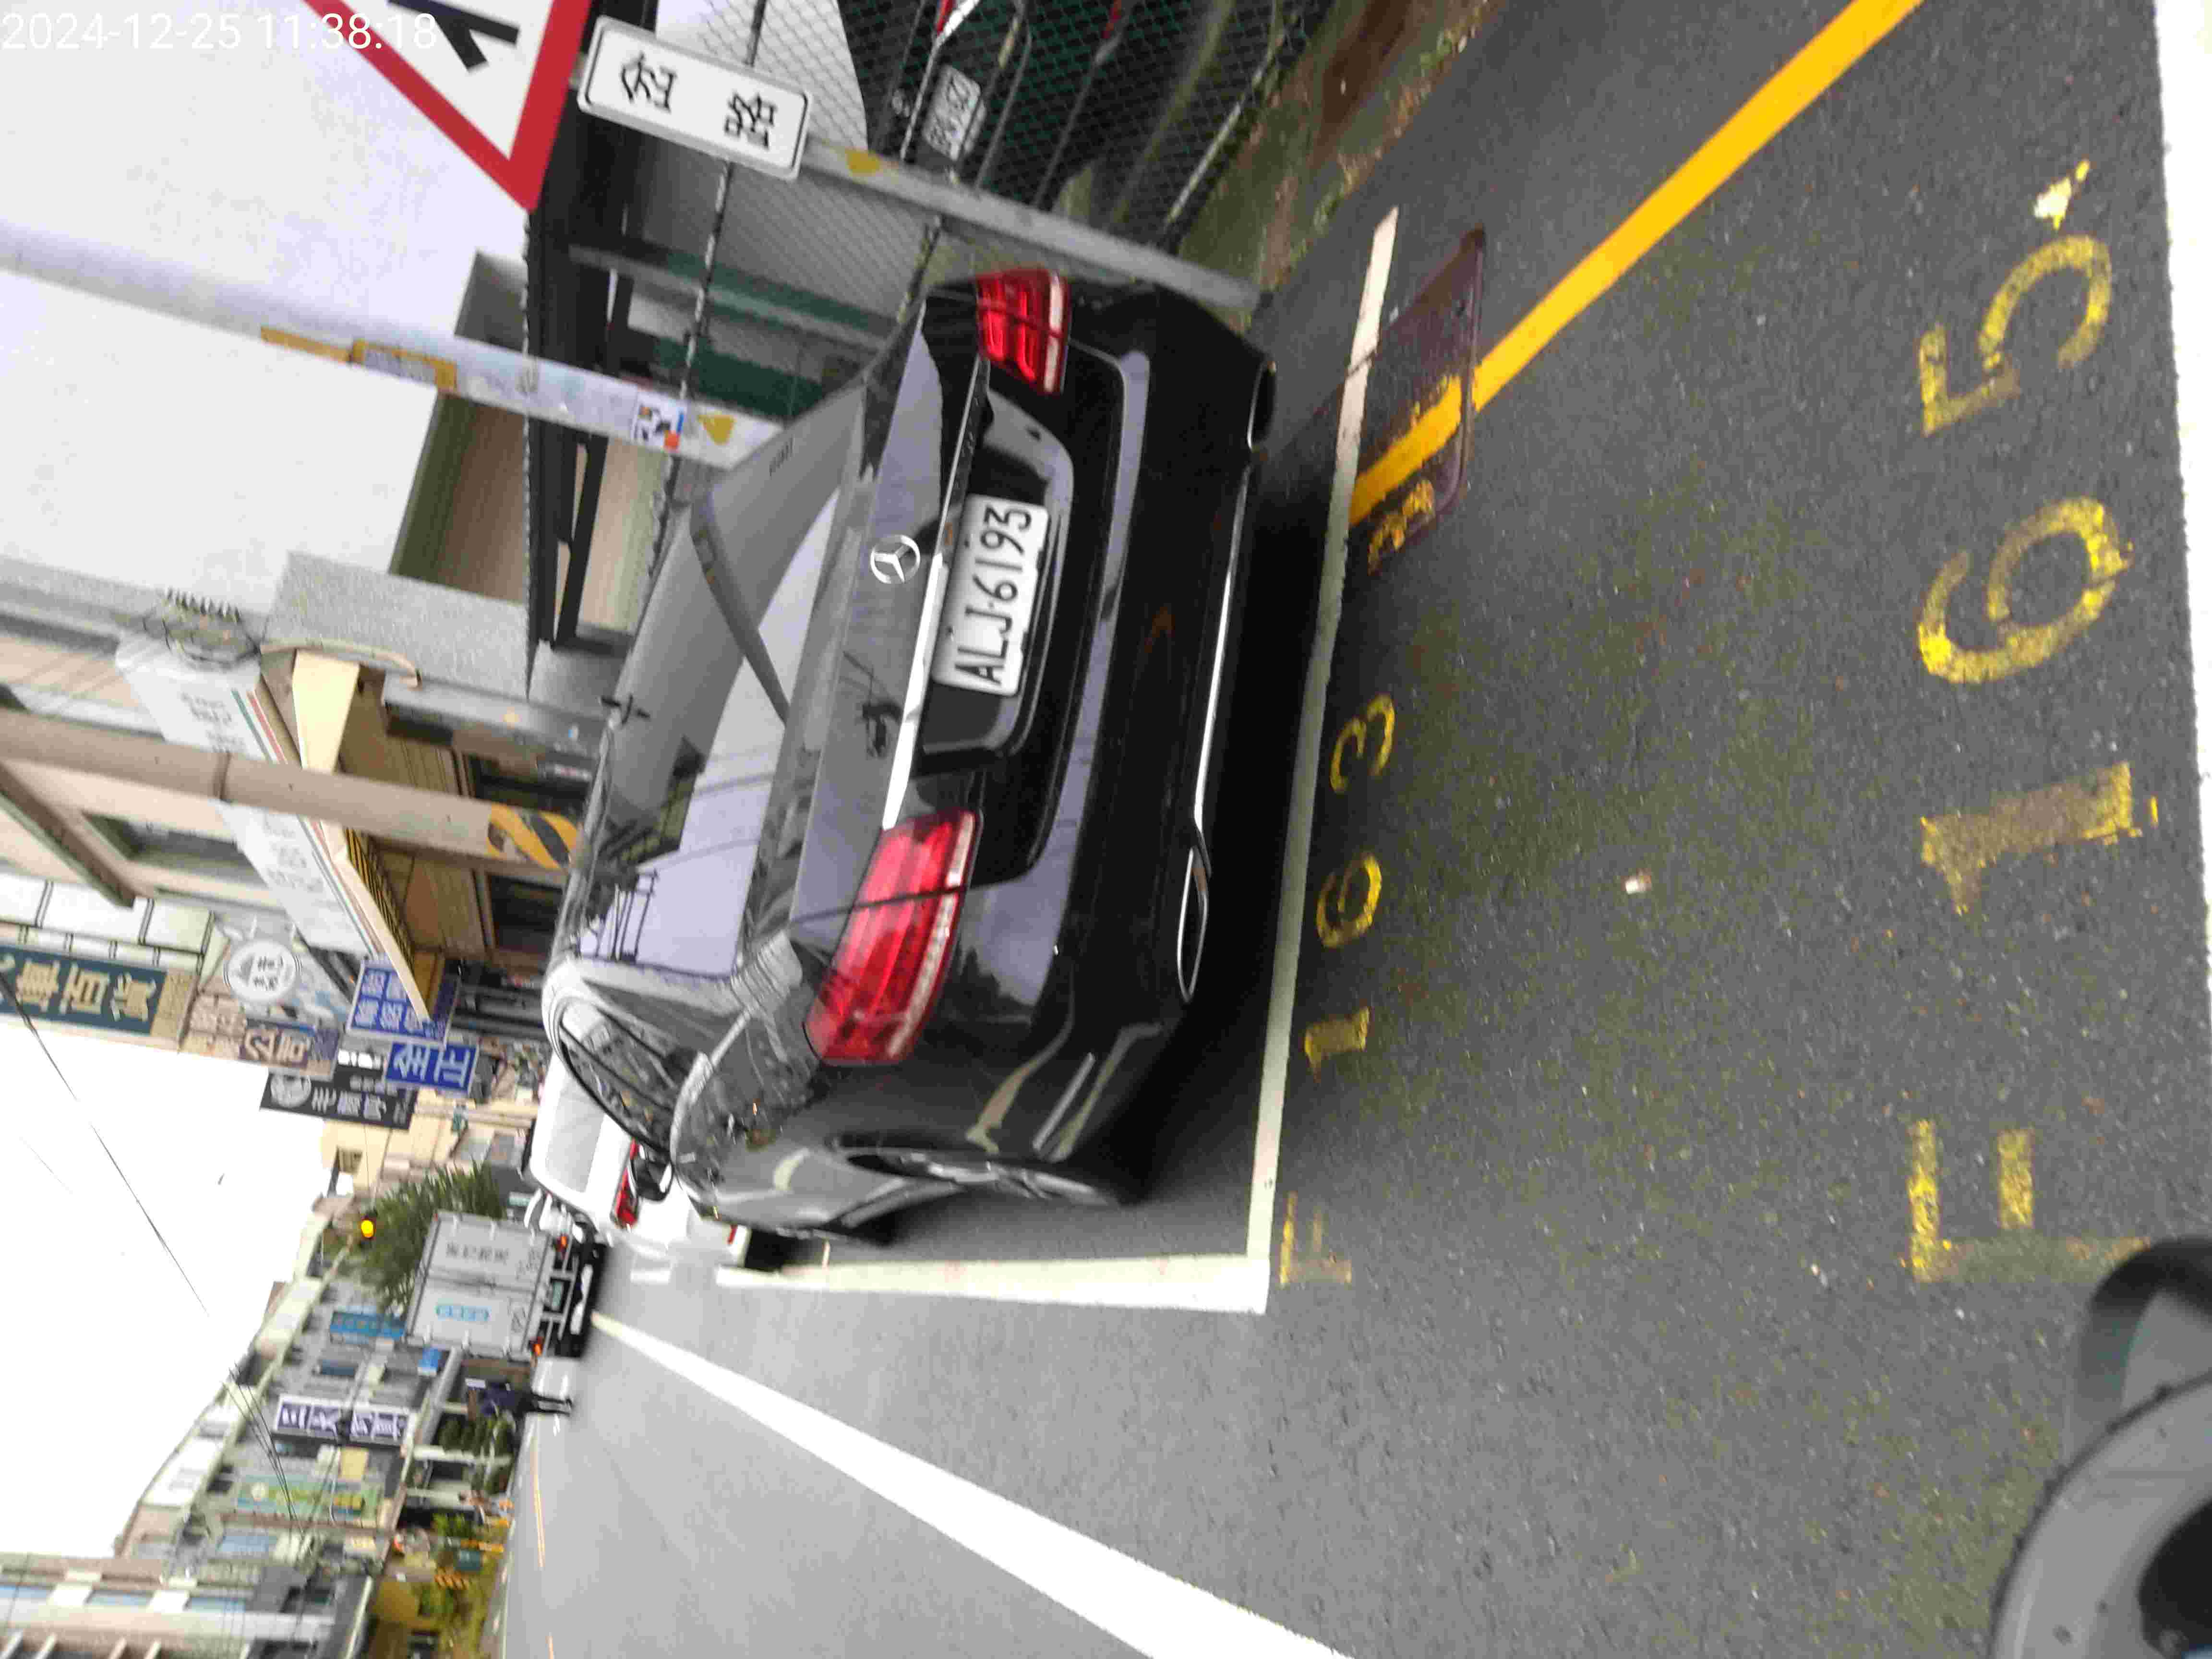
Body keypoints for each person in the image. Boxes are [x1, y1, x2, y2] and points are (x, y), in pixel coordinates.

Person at [479, 1377, 573, 1420]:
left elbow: (495, 1417)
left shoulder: (483, 1409)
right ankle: (564, 1402)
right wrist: (507, 1390)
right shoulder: (490, 1386)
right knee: (542, 1398)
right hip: (518, 1395)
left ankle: (563, 1413)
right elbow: (506, 1382)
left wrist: (500, 1409)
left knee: (539, 1411)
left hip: (516, 1408)